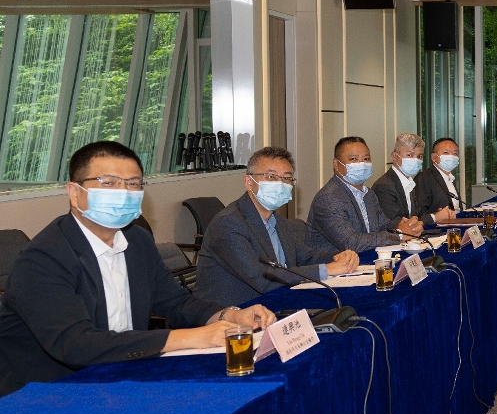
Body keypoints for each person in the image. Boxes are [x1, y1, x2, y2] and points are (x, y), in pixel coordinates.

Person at [0, 141, 275, 396]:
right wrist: (188, 338)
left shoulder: (137, 240)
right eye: (108, 183)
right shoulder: (43, 258)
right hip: (49, 393)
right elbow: (75, 345)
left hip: (125, 375)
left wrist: (229, 315)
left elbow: (175, 302)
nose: (123, 192)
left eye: (132, 184)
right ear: (74, 192)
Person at [195, 146, 361, 306]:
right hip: (232, 315)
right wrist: (326, 270)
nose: (280, 184)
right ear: (248, 182)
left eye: (286, 178)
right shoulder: (228, 224)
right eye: (270, 177)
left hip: (275, 303)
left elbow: (304, 257)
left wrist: (339, 257)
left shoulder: (279, 221)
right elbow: (262, 278)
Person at [308, 136, 404, 254]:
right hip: (335, 263)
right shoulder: (328, 198)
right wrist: (398, 235)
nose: (362, 164)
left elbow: (384, 226)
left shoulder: (369, 194)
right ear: (336, 164)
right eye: (353, 159)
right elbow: (351, 243)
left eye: (366, 158)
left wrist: (405, 226)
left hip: (368, 258)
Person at [371, 132, 455, 229]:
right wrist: (434, 217)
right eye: (409, 155)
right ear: (394, 156)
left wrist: (438, 214)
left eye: (419, 156)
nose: (415, 160)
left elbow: (417, 216)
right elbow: (395, 224)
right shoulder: (384, 186)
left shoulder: (409, 183)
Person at [417, 137, 467, 213]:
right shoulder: (423, 179)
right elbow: (419, 212)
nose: (451, 157)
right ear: (434, 157)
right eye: (446, 153)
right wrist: (437, 216)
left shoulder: (450, 179)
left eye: (455, 153)